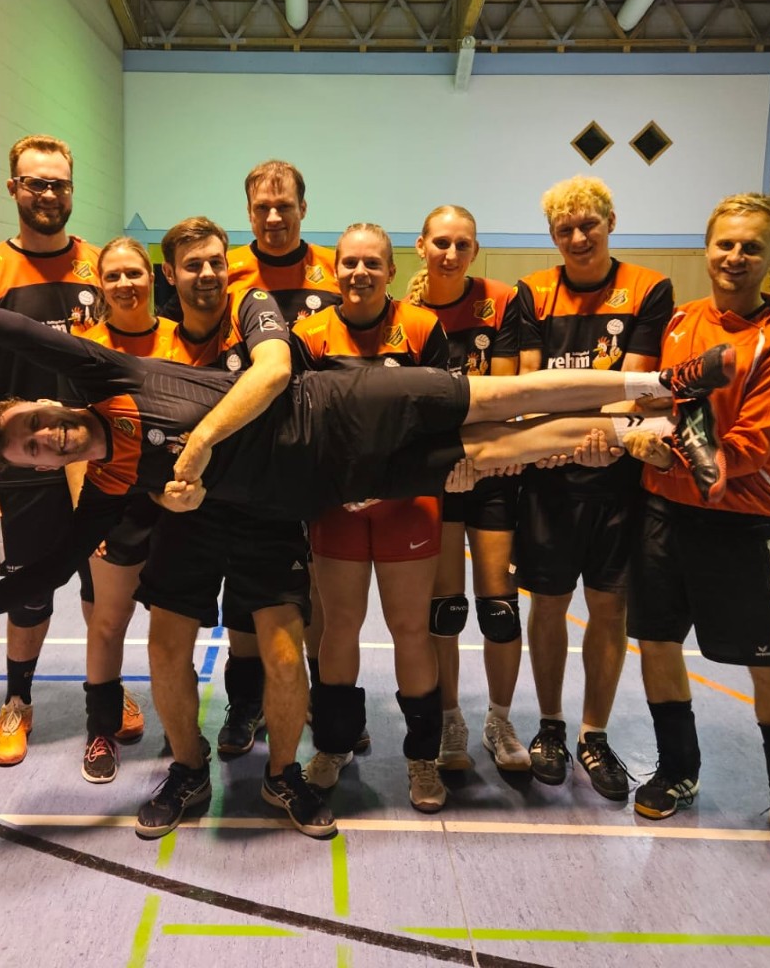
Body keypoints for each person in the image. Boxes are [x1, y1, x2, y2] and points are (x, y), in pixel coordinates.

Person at [0, 284, 731, 527]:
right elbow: (55, 570)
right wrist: (182, 496)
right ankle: (655, 426)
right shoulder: (117, 480)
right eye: (33, 449)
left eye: (34, 424)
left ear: (42, 402)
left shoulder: (106, 373)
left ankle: (664, 387)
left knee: (509, 396)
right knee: (504, 448)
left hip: (345, 403)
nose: (44, 437)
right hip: (339, 479)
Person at [624, 194, 770, 873]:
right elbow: (654, 402)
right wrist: (636, 431)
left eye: (751, 247)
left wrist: (663, 452)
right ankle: (678, 771)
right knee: (657, 644)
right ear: (707, 249)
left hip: (741, 522)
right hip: (662, 514)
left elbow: (747, 449)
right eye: (725, 244)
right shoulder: (682, 321)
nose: (735, 257)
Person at [130, 217, 330, 838]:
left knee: (284, 654)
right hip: (188, 517)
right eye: (193, 265)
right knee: (166, 649)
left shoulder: (251, 306)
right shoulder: (157, 342)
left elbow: (272, 373)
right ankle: (188, 769)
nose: (208, 274)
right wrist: (163, 491)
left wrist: (200, 444)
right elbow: (135, 443)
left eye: (216, 261)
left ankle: (283, 774)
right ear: (170, 274)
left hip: (264, 509)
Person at [0, 135, 142, 769]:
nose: (48, 194)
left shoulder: (101, 266)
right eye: (36, 183)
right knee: (28, 591)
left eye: (58, 183)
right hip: (25, 463)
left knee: (101, 588)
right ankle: (18, 700)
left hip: (99, 457)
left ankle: (106, 691)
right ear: (14, 188)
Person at [514, 176, 674, 800]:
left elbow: (634, 386)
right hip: (550, 478)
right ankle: (550, 726)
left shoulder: (648, 288)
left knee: (609, 609)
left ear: (611, 222)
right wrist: (564, 433)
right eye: (565, 229)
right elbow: (529, 387)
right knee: (548, 604)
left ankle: (593, 733)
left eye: (589, 225)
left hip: (620, 481)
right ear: (552, 235)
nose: (578, 238)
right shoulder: (533, 291)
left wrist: (579, 426)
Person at [297, 223, 450, 813]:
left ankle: (422, 757)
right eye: (350, 262)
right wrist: (336, 483)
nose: (359, 273)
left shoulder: (422, 328)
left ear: (391, 270)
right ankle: (333, 745)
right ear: (334, 269)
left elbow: (442, 419)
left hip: (407, 504)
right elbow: (300, 424)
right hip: (337, 507)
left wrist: (390, 481)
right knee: (339, 625)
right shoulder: (308, 335)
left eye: (372, 263)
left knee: (411, 629)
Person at [207, 160, 342, 757]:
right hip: (245, 454)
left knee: (317, 585)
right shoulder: (227, 270)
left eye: (283, 205)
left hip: (319, 452)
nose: (272, 216)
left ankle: (318, 696)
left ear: (303, 209)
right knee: (244, 587)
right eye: (261, 207)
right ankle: (246, 703)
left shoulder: (336, 270)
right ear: (248, 212)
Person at [405, 206, 529, 775]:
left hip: (492, 470)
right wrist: (449, 462)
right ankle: (450, 719)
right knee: (446, 610)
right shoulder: (407, 315)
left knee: (500, 609)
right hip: (439, 474)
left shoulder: (500, 301)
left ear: (475, 250)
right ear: (421, 247)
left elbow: (502, 394)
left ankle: (500, 720)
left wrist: (478, 459)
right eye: (441, 243)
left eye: (462, 244)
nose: (451, 253)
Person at [68, 238, 177, 784]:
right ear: (100, 284)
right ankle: (101, 731)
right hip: (112, 504)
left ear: (151, 277)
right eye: (113, 276)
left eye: (133, 273)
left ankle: (180, 732)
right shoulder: (84, 350)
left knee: (173, 628)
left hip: (177, 505)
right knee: (108, 623)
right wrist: (84, 516)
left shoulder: (181, 339)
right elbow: (70, 438)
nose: (124, 284)